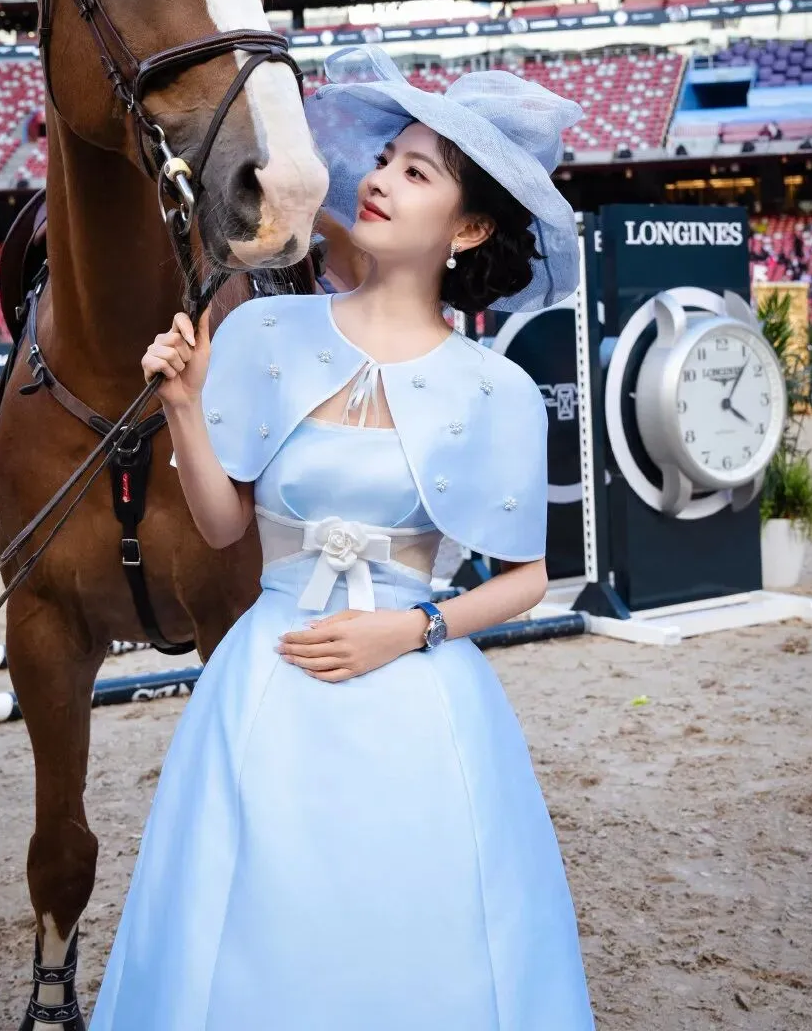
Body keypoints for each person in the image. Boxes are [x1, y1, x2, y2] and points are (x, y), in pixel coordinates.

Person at [89, 52, 596, 1031]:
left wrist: (410, 630)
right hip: (267, 680)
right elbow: (225, 525)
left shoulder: (496, 391)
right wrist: (185, 406)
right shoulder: (266, 333)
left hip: (417, 697)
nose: (381, 179)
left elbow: (528, 578)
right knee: (241, 928)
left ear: (469, 228)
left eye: (418, 172)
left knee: (419, 932)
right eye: (387, 158)